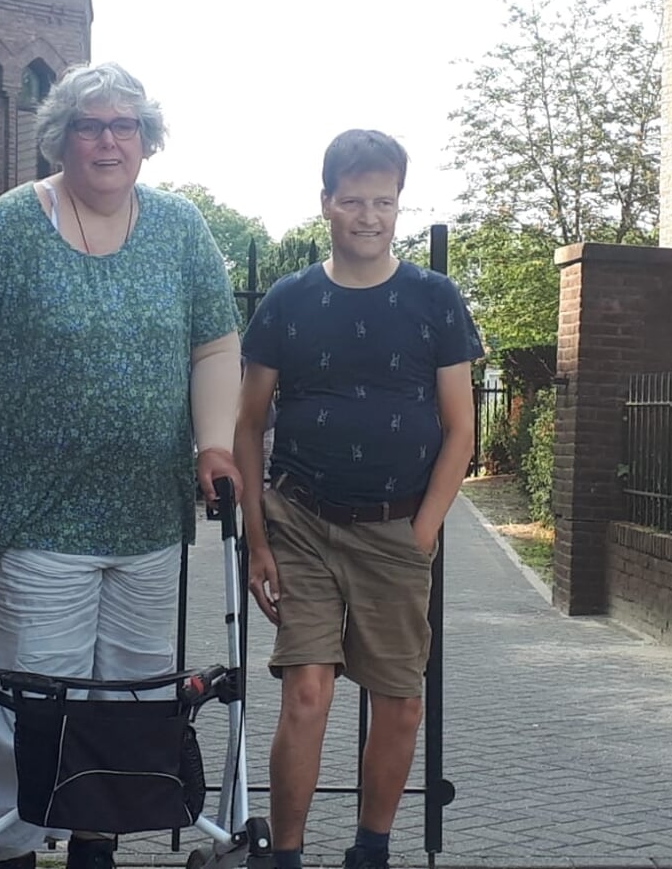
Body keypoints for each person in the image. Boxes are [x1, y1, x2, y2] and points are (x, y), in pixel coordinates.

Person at [0, 62, 243, 869]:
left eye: (124, 125)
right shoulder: (13, 224)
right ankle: (3, 851)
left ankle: (100, 844)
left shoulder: (179, 227)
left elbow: (213, 344)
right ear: (60, 138)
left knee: (131, 698)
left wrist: (214, 445)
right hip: (31, 515)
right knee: (32, 697)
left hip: (145, 517)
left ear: (146, 140)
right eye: (90, 125)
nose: (107, 140)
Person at [233, 130, 481, 869]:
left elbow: (462, 429)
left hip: (395, 528)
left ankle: (369, 851)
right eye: (352, 201)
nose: (368, 216)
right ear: (326, 205)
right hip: (301, 520)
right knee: (307, 692)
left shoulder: (434, 299)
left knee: (401, 700)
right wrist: (257, 539)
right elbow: (248, 425)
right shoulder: (290, 300)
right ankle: (284, 856)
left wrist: (425, 530)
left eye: (383, 201)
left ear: (398, 205)